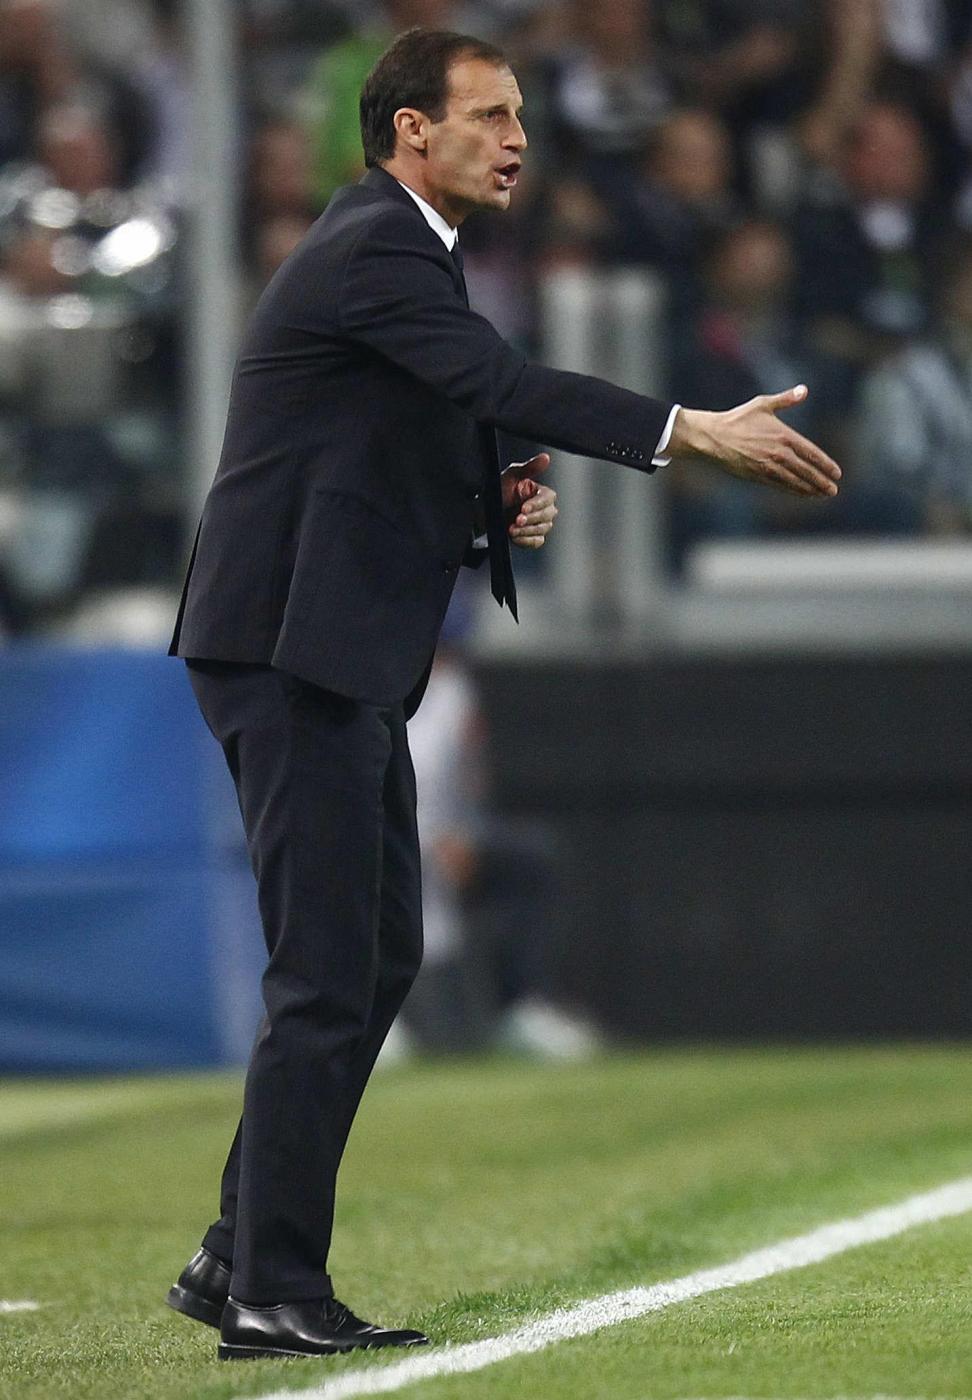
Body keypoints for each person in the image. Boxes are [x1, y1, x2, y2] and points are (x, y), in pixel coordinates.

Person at [165, 27, 841, 1363]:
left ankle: (238, 1252)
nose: (518, 139)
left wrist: (486, 504)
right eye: (489, 115)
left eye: (521, 115)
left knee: (375, 956)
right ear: (411, 130)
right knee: (325, 970)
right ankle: (270, 1287)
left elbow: (376, 441)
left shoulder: (408, 254)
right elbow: (496, 382)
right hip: (291, 649)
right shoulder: (378, 243)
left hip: (332, 650)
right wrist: (688, 429)